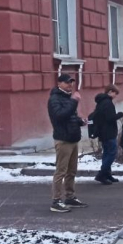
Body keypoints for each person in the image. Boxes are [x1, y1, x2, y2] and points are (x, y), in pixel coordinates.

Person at [47, 74, 88, 212]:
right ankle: (56, 201)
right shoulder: (55, 99)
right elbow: (60, 116)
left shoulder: (66, 98)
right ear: (59, 83)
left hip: (73, 138)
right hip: (63, 139)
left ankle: (70, 197)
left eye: (71, 82)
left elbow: (70, 117)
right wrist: (74, 101)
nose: (70, 85)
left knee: (72, 171)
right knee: (61, 171)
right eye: (66, 82)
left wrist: (80, 121)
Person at [92, 85, 123, 185]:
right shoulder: (107, 103)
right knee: (111, 153)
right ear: (110, 91)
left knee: (107, 153)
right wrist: (120, 114)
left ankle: (107, 174)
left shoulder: (102, 102)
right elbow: (110, 118)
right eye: (115, 93)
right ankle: (102, 174)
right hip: (108, 132)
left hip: (104, 132)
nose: (116, 96)